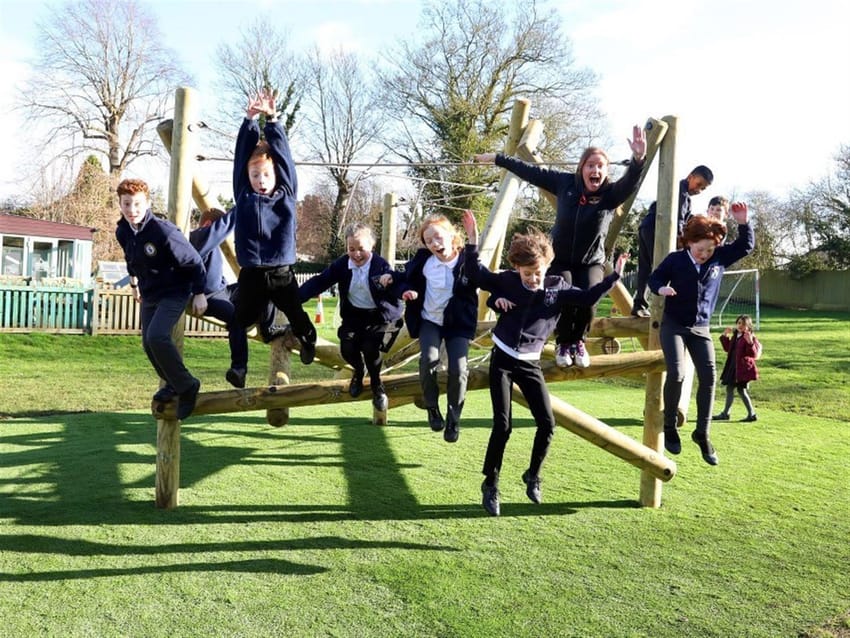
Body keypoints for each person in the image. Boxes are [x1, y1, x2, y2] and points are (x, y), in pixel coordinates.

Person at [461, 210, 628, 516]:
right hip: (503, 359)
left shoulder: (556, 287)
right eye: (527, 274)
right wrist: (472, 239)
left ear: (547, 266)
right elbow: (475, 273)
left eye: (537, 272)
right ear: (516, 268)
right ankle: (491, 484)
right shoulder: (507, 282)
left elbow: (589, 298)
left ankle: (533, 475)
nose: (533, 279)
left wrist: (614, 276)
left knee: (547, 424)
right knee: (503, 425)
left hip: (530, 363)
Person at [474, 124, 646, 369]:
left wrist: (638, 159)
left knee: (588, 297)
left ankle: (579, 341)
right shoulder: (565, 184)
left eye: (600, 166)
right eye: (590, 165)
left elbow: (629, 183)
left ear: (606, 171)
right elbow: (530, 171)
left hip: (591, 261)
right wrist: (498, 159)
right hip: (559, 258)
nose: (595, 170)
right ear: (581, 168)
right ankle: (564, 343)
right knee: (560, 295)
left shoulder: (609, 195)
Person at [648, 203, 755, 466]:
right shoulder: (675, 259)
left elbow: (745, 246)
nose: (705, 254)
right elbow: (655, 278)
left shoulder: (719, 257)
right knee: (678, 373)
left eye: (709, 250)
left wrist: (743, 222)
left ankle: (702, 433)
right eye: (700, 250)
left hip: (700, 328)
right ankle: (670, 424)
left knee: (710, 376)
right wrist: (661, 289)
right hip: (674, 325)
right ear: (689, 243)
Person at [231, 89, 317, 366]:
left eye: (266, 174)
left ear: (276, 176)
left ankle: (308, 339)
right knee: (237, 321)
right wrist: (249, 121)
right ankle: (238, 367)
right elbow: (240, 159)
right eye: (255, 175)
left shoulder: (286, 193)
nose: (260, 179)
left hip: (280, 272)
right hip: (252, 274)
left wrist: (273, 121)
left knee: (296, 315)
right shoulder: (243, 194)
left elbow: (284, 159)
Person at [115, 178, 207, 420]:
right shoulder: (123, 230)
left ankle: (187, 386)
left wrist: (199, 292)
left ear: (147, 203)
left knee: (157, 336)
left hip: (175, 290)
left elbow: (194, 261)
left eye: (137, 204)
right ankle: (172, 383)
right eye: (126, 204)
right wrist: (134, 284)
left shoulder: (163, 231)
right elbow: (130, 259)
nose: (132, 210)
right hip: (150, 292)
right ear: (120, 204)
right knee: (147, 343)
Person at [381, 214, 478, 443]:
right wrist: (394, 281)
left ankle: (454, 417)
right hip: (429, 320)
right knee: (429, 359)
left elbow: (481, 273)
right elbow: (405, 277)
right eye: (429, 241)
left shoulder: (465, 261)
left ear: (451, 237)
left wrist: (473, 237)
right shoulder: (425, 262)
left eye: (438, 237)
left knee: (459, 368)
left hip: (457, 324)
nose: (435, 243)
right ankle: (432, 408)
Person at [298, 222, 403, 411]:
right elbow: (321, 281)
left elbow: (396, 282)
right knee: (347, 349)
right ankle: (358, 370)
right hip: (354, 316)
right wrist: (296, 298)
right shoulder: (342, 265)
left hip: (380, 316)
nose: (356, 254)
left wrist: (405, 292)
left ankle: (377, 387)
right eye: (351, 249)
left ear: (371, 246)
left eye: (361, 249)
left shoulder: (380, 265)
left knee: (371, 349)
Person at [188, 208, 284, 389]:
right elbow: (227, 223)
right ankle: (239, 368)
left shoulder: (208, 242)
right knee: (236, 317)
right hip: (207, 297)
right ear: (210, 225)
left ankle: (268, 326)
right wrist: (245, 200)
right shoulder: (201, 237)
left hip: (222, 290)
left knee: (265, 282)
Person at [632, 165, 714, 317]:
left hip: (646, 226)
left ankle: (639, 304)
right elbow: (679, 220)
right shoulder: (681, 193)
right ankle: (659, 306)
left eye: (703, 189)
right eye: (698, 185)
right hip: (657, 230)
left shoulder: (682, 194)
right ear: (690, 176)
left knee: (645, 267)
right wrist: (684, 240)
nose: (699, 190)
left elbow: (686, 218)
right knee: (662, 267)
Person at [714, 314, 761, 422]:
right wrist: (725, 335)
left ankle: (751, 414)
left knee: (741, 390)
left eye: (743, 324)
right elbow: (728, 348)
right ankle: (726, 413)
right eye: (739, 323)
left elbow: (752, 354)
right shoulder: (736, 336)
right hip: (733, 367)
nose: (740, 325)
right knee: (730, 388)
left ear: (748, 326)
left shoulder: (749, 337)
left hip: (743, 369)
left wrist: (750, 342)